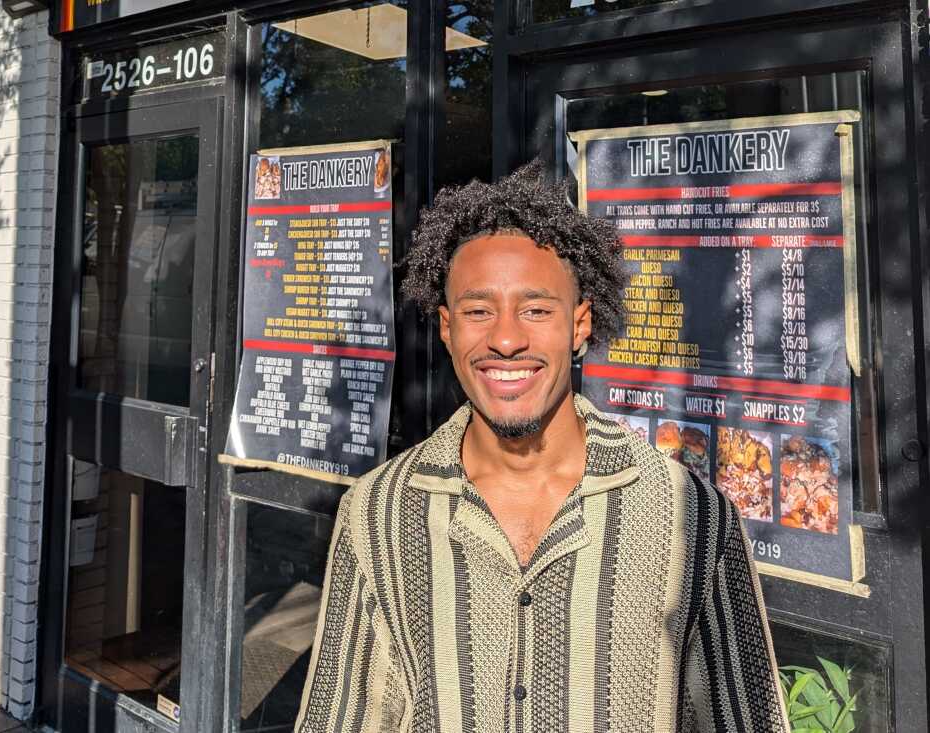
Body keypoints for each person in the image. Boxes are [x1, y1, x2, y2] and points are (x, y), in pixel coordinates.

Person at [294, 163, 790, 732]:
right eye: (479, 311)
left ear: (580, 325)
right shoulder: (378, 513)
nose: (506, 339)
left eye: (535, 310)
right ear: (448, 328)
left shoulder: (689, 517)